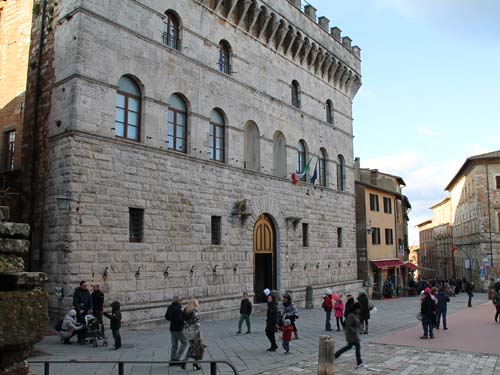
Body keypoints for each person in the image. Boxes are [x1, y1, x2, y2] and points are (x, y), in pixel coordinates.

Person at [334, 302, 365, 369]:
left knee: (348, 347)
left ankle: (336, 355)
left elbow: (357, 323)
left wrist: (360, 327)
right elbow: (348, 326)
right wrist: (355, 331)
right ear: (356, 309)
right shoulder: (351, 315)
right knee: (357, 347)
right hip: (351, 335)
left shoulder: (356, 315)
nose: (359, 310)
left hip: (353, 335)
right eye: (358, 309)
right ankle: (359, 362)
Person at [165, 296, 188, 366]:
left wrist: (172, 320)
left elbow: (166, 317)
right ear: (177, 301)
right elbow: (180, 320)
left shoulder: (170, 307)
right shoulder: (178, 309)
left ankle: (172, 359)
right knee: (185, 342)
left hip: (172, 328)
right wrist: (184, 323)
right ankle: (177, 358)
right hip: (178, 329)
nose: (181, 301)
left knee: (174, 345)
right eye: (180, 300)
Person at [182, 299, 203, 371]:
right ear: (195, 304)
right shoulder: (195, 311)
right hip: (194, 331)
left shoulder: (185, 310)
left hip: (187, 331)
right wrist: (199, 334)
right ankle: (195, 364)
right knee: (198, 347)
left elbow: (183, 321)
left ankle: (184, 361)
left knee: (191, 347)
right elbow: (197, 323)